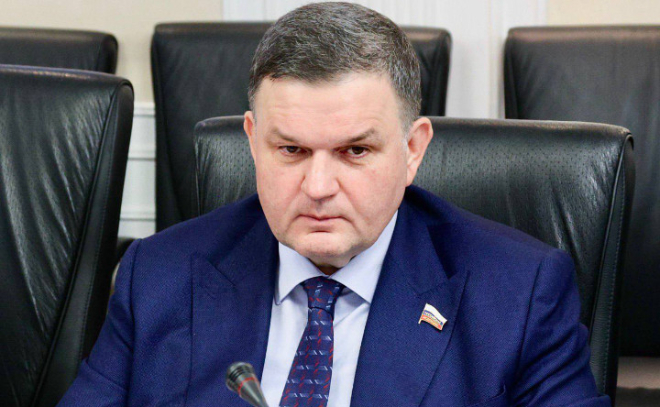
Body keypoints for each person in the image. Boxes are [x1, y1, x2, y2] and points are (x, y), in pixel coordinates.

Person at [58, 2, 610, 407]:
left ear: (413, 150)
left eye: (355, 151)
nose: (319, 186)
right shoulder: (159, 276)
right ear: (253, 142)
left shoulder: (518, 295)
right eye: (291, 150)